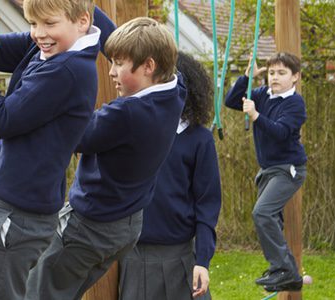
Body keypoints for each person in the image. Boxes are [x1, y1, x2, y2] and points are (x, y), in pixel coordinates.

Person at [0, 0, 116, 299]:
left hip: (16, 216)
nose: (39, 33)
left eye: (49, 24)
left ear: (82, 21)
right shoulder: (48, 48)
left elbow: (2, 119)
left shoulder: (68, 70)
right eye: (32, 23)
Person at [25, 17, 186, 300]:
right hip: (126, 227)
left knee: (35, 290)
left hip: (89, 227)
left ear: (149, 66)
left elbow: (73, 134)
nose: (110, 72)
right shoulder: (174, 91)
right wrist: (89, 10)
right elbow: (136, 45)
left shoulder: (126, 115)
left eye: (118, 64)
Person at [118, 51, 221, 300]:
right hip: (132, 256)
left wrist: (203, 261)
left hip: (181, 258)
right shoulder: (131, 128)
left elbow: (207, 205)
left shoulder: (200, 140)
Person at [224, 52, 307, 292]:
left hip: (288, 170)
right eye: (271, 73)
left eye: (282, 73)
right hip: (268, 170)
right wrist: (247, 77)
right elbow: (231, 101)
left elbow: (281, 132)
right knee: (271, 219)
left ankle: (285, 270)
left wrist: (255, 115)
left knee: (262, 213)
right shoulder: (261, 94)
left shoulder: (294, 103)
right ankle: (283, 270)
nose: (275, 78)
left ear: (295, 77)